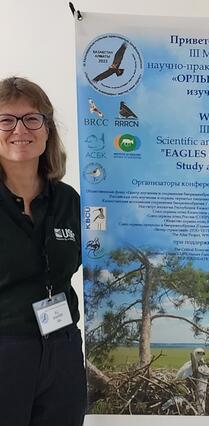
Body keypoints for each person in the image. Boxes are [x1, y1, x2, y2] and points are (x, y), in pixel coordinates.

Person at [0, 77, 86, 425]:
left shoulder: (69, 201)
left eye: (32, 118)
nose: (20, 129)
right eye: (6, 120)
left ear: (47, 130)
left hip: (62, 347)